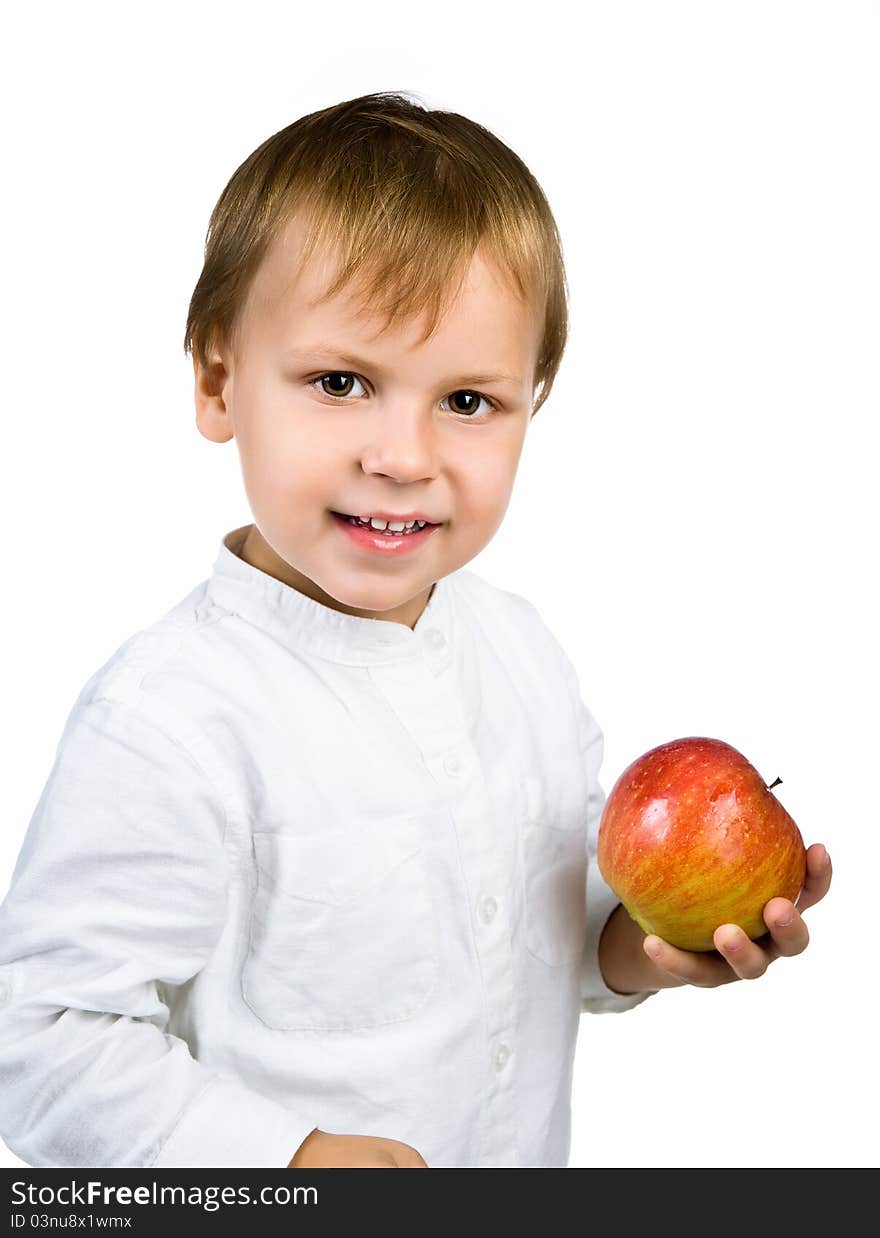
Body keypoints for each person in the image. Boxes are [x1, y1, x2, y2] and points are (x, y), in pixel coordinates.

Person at [0, 91, 831, 1170]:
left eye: (469, 401)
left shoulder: (522, 655)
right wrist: (286, 1158)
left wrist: (647, 943)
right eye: (341, 381)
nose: (403, 454)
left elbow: (546, 938)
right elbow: (41, 1038)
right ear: (217, 381)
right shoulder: (170, 718)